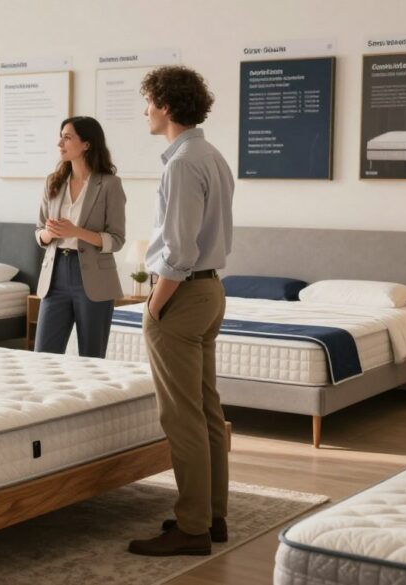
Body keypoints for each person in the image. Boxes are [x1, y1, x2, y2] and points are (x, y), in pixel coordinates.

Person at [127, 66, 235, 557]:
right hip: (210, 293)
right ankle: (212, 517)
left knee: (183, 418)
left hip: (183, 294)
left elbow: (178, 249)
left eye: (148, 101)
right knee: (207, 411)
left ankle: (191, 529)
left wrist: (155, 303)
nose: (145, 110)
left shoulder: (182, 163)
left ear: (166, 105)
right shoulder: (210, 155)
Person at [33, 116, 126, 358]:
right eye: (60, 136)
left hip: (93, 278)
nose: (60, 143)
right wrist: (48, 233)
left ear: (86, 144)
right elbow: (39, 233)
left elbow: (116, 239)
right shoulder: (53, 182)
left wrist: (77, 232)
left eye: (67, 137)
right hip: (55, 276)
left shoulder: (109, 185)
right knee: (43, 355)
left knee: (91, 357)